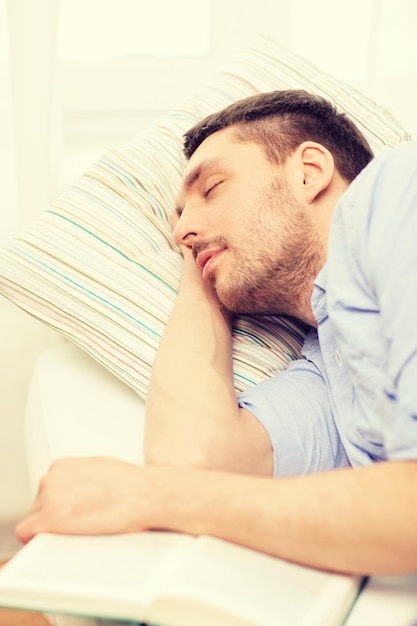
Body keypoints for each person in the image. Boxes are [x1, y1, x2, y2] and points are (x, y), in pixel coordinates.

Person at [15, 90, 417, 576]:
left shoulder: (396, 194)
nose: (182, 230)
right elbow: (195, 461)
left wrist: (147, 496)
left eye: (212, 188)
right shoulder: (330, 364)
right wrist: (203, 269)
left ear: (309, 171)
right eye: (179, 219)